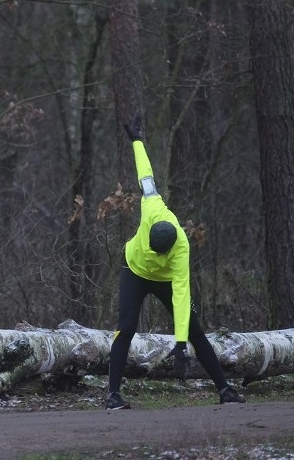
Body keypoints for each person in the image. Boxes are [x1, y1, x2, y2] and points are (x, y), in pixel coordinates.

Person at [106, 115, 246, 410]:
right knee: (126, 326)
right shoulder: (151, 205)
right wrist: (137, 141)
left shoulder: (181, 249)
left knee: (194, 329)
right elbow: (145, 173)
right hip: (133, 269)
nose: (159, 256)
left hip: (164, 281)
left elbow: (182, 295)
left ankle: (225, 390)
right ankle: (112, 396)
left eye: (162, 254)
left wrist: (180, 343)